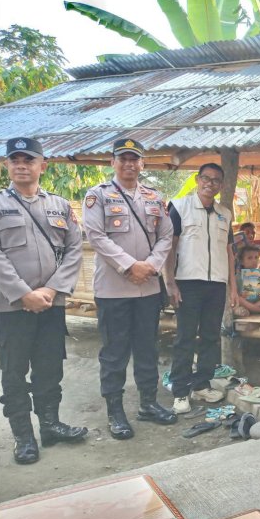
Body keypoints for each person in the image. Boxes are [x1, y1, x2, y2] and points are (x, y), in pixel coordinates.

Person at [0, 137, 87, 464]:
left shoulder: (60, 206)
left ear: (42, 166)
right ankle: (24, 437)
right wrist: (23, 293)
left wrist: (51, 290)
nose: (22, 165)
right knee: (14, 372)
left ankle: (50, 425)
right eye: (15, 159)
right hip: (9, 307)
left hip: (51, 305)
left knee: (49, 368)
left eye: (29, 159)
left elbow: (75, 249)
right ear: (6, 165)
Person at [83, 138, 177, 440]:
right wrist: (130, 265)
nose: (129, 164)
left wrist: (150, 265)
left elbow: (167, 235)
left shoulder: (153, 197)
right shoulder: (97, 196)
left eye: (134, 159)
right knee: (115, 353)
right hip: (113, 290)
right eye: (123, 159)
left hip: (148, 289)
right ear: (113, 162)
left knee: (148, 348)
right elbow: (96, 237)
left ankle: (148, 404)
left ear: (142, 164)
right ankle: (116, 412)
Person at [164, 163, 237, 414]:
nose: (210, 183)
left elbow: (228, 253)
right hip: (187, 283)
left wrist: (233, 288)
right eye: (206, 178)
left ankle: (201, 384)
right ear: (197, 179)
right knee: (185, 337)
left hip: (216, 284)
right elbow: (169, 247)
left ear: (221, 185)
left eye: (216, 180)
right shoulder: (179, 207)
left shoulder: (224, 214)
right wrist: (170, 281)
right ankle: (180, 392)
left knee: (210, 337)